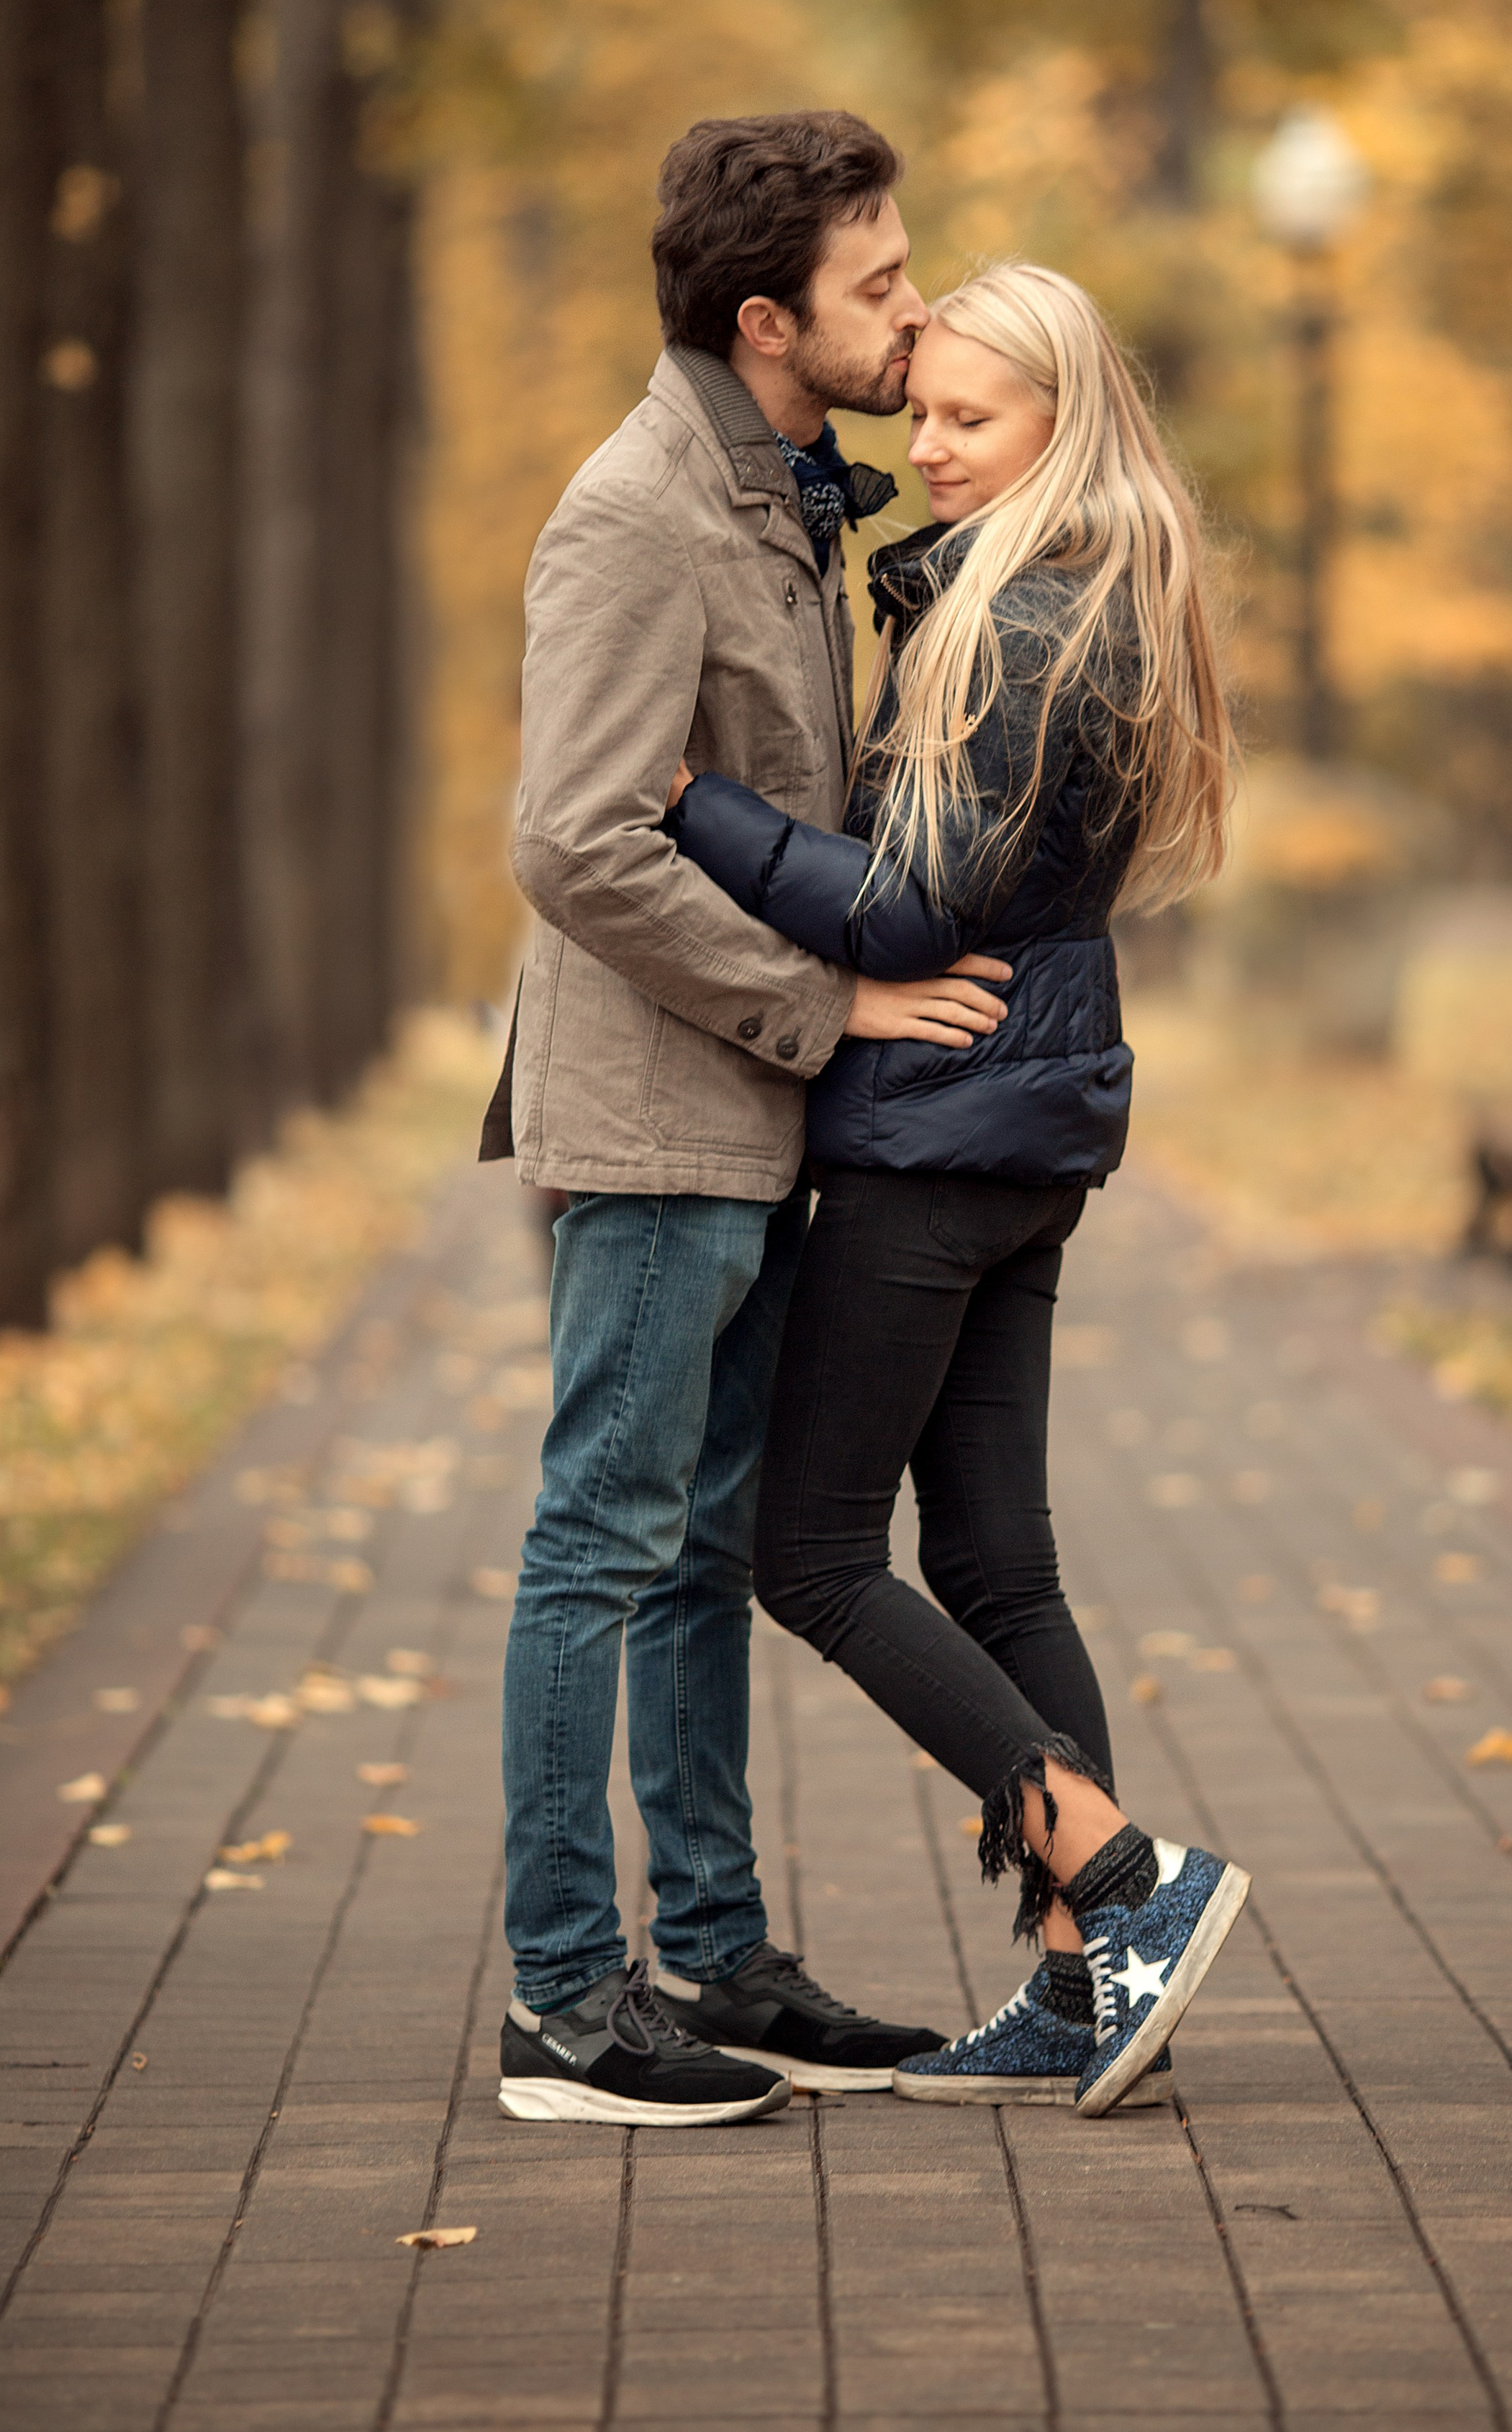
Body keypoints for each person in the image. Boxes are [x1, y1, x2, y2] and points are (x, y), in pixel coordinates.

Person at [664, 262, 1249, 2117]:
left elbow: (911, 907)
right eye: (920, 411)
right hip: (1023, 1131)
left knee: (811, 1556)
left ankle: (1129, 1879)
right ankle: (1090, 1996)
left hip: (937, 1134)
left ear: (1064, 427)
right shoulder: (1065, 592)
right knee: (1000, 1565)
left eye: (972, 419)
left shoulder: (1027, 626)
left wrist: (696, 803)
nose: (928, 449)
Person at [483, 112, 1015, 2128]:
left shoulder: (785, 492)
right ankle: (562, 2000)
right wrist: (829, 1003)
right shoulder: (637, 512)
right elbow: (574, 839)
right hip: (653, 1120)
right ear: (768, 315)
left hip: (753, 1124)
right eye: (885, 283)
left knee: (699, 1547)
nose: (919, 304)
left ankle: (712, 1954)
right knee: (600, 1542)